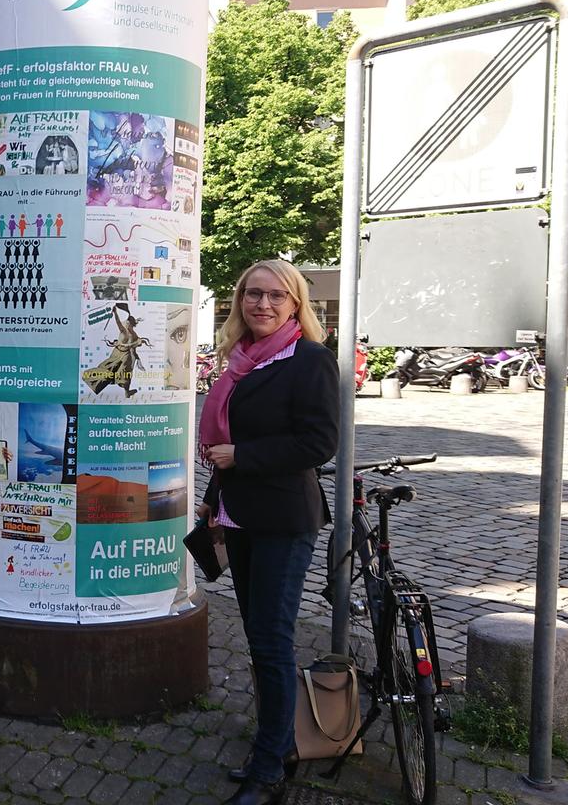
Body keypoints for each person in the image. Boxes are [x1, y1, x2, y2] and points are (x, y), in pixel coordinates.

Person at [196, 259, 338, 805]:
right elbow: (222, 451)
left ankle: (271, 769)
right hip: (239, 514)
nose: (263, 304)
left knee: (273, 639)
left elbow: (318, 443)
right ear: (239, 301)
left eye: (276, 296)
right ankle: (274, 742)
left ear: (295, 302)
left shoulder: (309, 359)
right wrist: (214, 499)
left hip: (283, 518)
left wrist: (244, 456)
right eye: (253, 294)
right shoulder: (240, 362)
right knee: (258, 635)